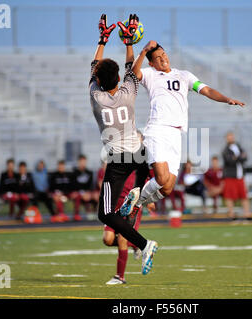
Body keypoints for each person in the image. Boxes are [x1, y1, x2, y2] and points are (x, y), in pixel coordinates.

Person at [120, 39, 245, 218]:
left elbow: (207, 90)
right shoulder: (150, 74)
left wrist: (227, 99)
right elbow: (133, 74)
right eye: (158, 57)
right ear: (151, 63)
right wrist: (143, 50)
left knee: (168, 188)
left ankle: (136, 202)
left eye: (164, 55)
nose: (163, 59)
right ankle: (135, 200)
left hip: (176, 134)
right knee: (162, 179)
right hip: (157, 130)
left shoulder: (185, 75)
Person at [89, 14, 157, 275]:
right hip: (139, 153)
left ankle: (144, 243)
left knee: (105, 214)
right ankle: (137, 194)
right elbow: (131, 70)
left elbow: (95, 66)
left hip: (118, 159)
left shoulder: (97, 98)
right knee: (138, 180)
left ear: (99, 80)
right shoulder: (128, 93)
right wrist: (130, 43)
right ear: (118, 80)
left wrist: (102, 39)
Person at [222, 132, 251, 219]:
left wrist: (236, 157)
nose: (231, 138)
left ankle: (247, 213)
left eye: (232, 136)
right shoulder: (225, 150)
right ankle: (231, 213)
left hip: (240, 176)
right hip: (230, 176)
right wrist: (239, 157)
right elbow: (230, 160)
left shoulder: (239, 147)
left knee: (244, 195)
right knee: (230, 196)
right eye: (229, 137)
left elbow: (245, 157)